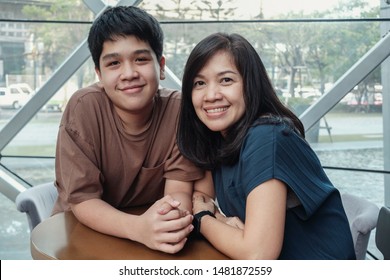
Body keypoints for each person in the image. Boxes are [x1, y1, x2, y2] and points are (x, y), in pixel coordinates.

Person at [177, 32, 356, 260]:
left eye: (226, 80)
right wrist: (219, 219)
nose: (211, 95)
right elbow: (202, 196)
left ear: (251, 84)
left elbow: (257, 254)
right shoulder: (224, 137)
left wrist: (203, 219)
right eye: (199, 83)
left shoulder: (267, 137)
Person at [52, 6, 204, 254]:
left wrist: (169, 222)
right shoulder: (84, 108)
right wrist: (138, 228)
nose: (129, 73)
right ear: (99, 74)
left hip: (151, 235)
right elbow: (83, 200)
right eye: (114, 63)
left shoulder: (180, 111)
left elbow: (178, 191)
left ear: (161, 66)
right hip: (83, 234)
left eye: (141, 59)